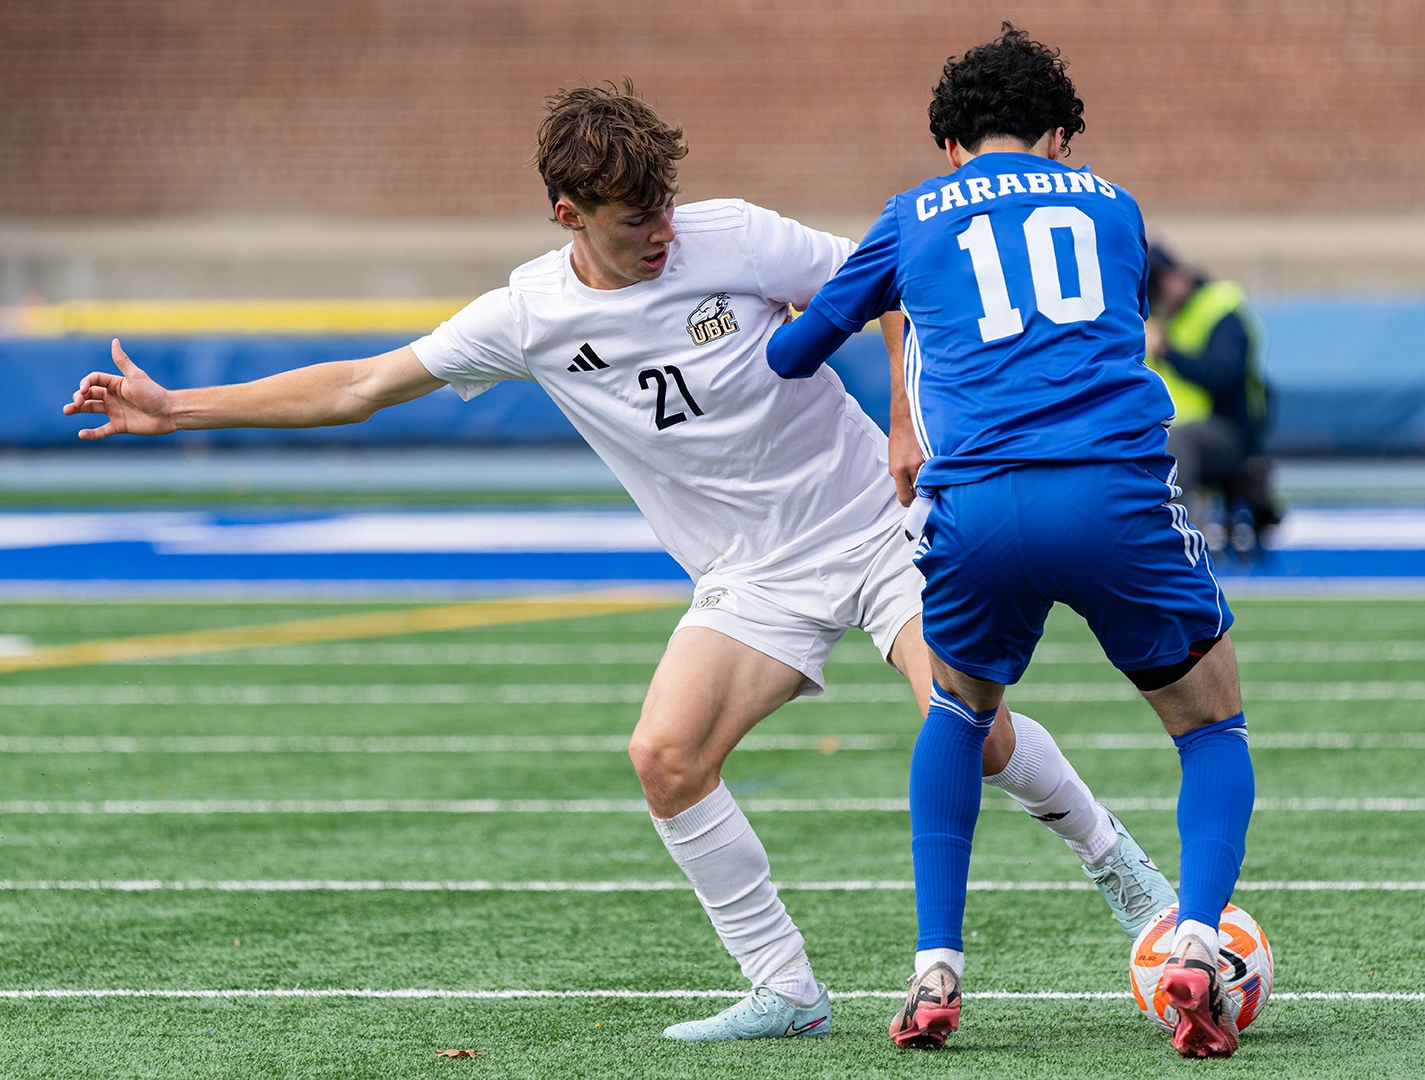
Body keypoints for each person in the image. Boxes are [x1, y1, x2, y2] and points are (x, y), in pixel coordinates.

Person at [64, 80, 1174, 1043]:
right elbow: (360, 385)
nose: (662, 233)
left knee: (965, 727)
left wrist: (902, 417)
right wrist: (178, 408)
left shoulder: (732, 234)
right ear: (566, 214)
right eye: (635, 220)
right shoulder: (529, 314)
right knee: (664, 754)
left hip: (873, 529)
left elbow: (892, 283)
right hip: (752, 577)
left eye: (665, 208)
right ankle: (784, 988)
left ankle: (1120, 868)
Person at [767, 28, 1256, 1059]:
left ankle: (935, 967)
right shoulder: (1113, 205)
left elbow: (793, 353)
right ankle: (1201, 947)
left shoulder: (909, 215)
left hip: (976, 504)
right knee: (1211, 728)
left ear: (949, 145)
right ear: (1061, 136)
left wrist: (805, 312)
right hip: (1112, 493)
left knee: (957, 713)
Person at [1144, 244, 1282, 554]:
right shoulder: (1154, 318)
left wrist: (1169, 352)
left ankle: (1175, 544)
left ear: (1173, 279)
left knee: (1177, 445)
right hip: (1166, 428)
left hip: (1225, 431)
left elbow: (1224, 375)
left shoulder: (1220, 309)